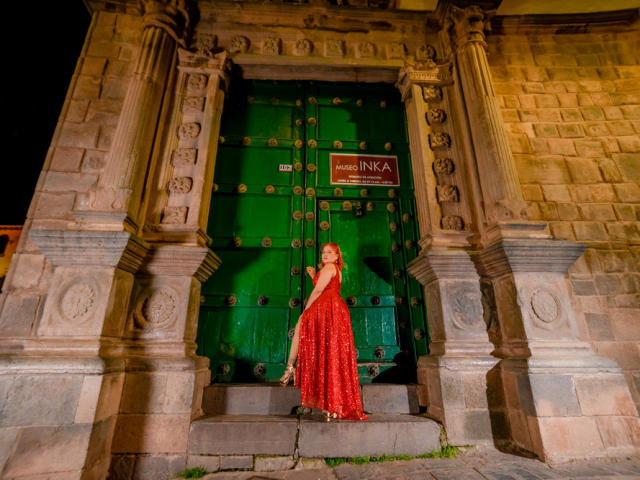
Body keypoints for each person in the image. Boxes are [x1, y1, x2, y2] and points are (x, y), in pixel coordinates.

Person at [279, 243, 368, 421]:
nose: (325, 255)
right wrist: (314, 275)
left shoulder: (329, 267)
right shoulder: (334, 269)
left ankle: (290, 367)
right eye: (323, 253)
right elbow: (324, 285)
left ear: (337, 256)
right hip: (333, 308)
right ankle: (331, 405)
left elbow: (319, 289)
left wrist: (306, 310)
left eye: (329, 252)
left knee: (301, 327)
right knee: (330, 352)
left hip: (326, 307)